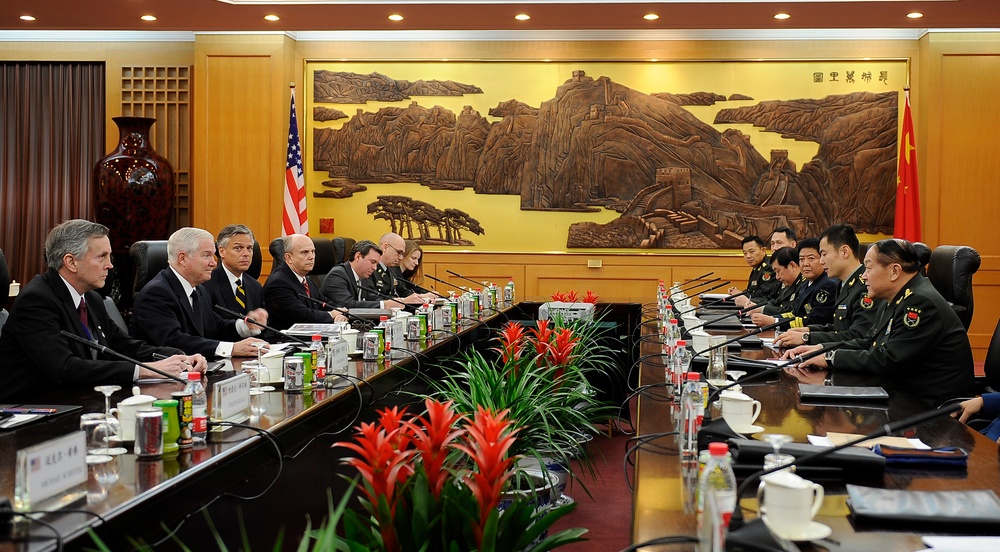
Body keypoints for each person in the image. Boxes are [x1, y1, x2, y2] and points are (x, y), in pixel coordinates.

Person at [0, 220, 204, 402]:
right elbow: (65, 368)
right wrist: (142, 371)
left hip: (80, 399)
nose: (110, 265)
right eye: (102, 257)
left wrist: (177, 356)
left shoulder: (91, 298)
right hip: (32, 409)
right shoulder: (36, 301)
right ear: (71, 262)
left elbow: (123, 345)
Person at [784, 238, 975, 407]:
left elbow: (888, 359)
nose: (863, 276)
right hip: (900, 393)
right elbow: (869, 342)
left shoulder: (920, 303)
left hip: (929, 407)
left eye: (868, 267)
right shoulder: (895, 298)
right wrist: (821, 348)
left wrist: (829, 358)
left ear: (894, 271)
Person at [131, 227, 269, 358]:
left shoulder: (199, 289)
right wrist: (231, 348)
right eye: (206, 255)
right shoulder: (157, 293)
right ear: (182, 258)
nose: (214, 263)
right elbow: (173, 341)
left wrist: (245, 326)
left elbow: (216, 326)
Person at [775, 224, 881, 347]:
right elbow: (839, 328)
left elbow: (858, 335)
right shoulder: (843, 284)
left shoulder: (866, 286)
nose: (821, 261)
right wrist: (809, 330)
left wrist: (807, 337)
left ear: (845, 252)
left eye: (824, 254)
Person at [261, 234, 348, 331]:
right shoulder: (278, 283)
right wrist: (332, 315)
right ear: (289, 258)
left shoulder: (306, 280)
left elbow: (324, 303)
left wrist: (340, 312)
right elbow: (302, 316)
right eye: (304, 252)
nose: (311, 257)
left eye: (313, 251)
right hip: (285, 341)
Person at [751, 238, 837, 329]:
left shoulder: (827, 285)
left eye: (811, 258)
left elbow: (815, 321)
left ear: (822, 259)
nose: (805, 264)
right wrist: (771, 319)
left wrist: (774, 322)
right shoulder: (807, 283)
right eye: (801, 259)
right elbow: (794, 313)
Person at [321, 240, 407, 310]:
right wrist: (383, 305)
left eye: (377, 264)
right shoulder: (338, 275)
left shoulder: (362, 276)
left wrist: (395, 302)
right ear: (358, 257)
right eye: (372, 262)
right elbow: (348, 305)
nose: (375, 268)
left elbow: (372, 297)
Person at [204, 224, 263, 315]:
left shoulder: (256, 286)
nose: (246, 254)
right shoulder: (207, 284)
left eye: (249, 248)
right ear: (222, 251)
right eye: (238, 248)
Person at [370, 232, 434, 303]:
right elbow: (373, 298)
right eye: (398, 252)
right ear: (385, 248)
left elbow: (402, 291)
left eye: (402, 254)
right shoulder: (371, 269)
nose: (400, 257)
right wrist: (404, 301)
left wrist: (422, 298)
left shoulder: (390, 269)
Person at [743, 247, 803, 319]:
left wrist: (762, 310)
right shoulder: (784, 283)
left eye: (778, 271)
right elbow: (774, 301)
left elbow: (792, 310)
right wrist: (755, 306)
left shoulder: (804, 284)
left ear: (792, 266)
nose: (777, 277)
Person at [730, 236, 779, 308]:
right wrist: (738, 292)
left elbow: (763, 294)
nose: (748, 256)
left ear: (763, 250)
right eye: (745, 253)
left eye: (752, 251)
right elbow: (752, 291)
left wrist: (741, 294)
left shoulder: (769, 268)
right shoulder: (757, 268)